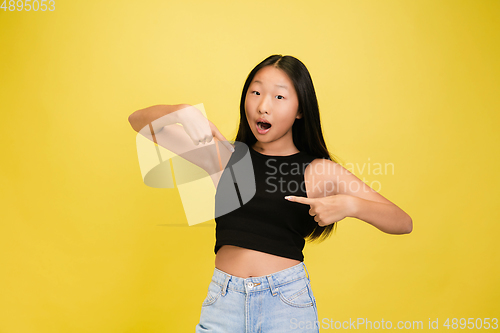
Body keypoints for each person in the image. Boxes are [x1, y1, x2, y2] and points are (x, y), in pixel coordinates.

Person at [128, 54, 413, 332]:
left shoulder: (320, 171)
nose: (263, 106)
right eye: (255, 92)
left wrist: (351, 205)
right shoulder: (225, 157)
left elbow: (402, 222)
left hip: (286, 304)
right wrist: (181, 111)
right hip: (224, 301)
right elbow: (139, 123)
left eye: (279, 97)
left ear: (301, 110)